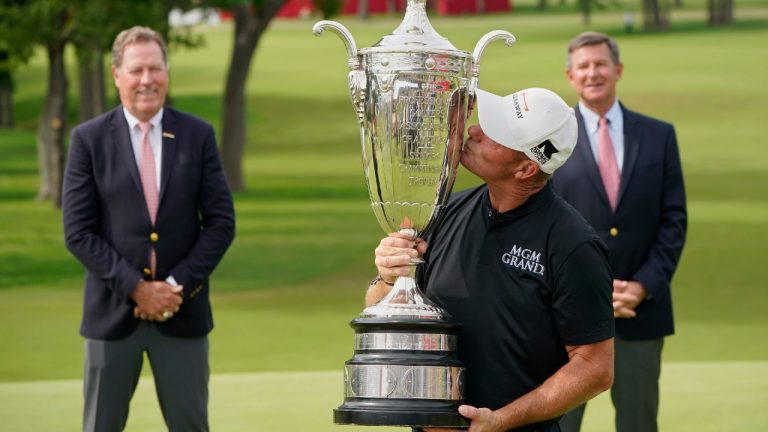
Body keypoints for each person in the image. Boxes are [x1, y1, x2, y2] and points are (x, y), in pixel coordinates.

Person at [367, 87, 615, 432]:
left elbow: (595, 368)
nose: (474, 131)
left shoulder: (572, 244)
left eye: (494, 135)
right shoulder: (445, 211)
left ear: (526, 169)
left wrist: (502, 420)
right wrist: (389, 278)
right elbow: (380, 309)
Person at [62, 26, 235, 432]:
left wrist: (173, 287)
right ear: (116, 74)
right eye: (137, 69)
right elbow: (78, 231)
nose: (147, 80)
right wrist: (137, 288)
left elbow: (221, 223)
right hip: (111, 316)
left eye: (155, 69)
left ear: (166, 73)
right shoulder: (88, 140)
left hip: (183, 313)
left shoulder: (198, 134)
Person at [553, 32, 687, 432]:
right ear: (570, 76)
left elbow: (673, 221)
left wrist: (643, 285)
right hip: (568, 317)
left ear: (618, 70)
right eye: (584, 66)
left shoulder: (660, 135)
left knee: (638, 422)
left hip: (639, 312)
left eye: (600, 63)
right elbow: (540, 223)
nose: (593, 72)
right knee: (559, 423)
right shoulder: (551, 141)